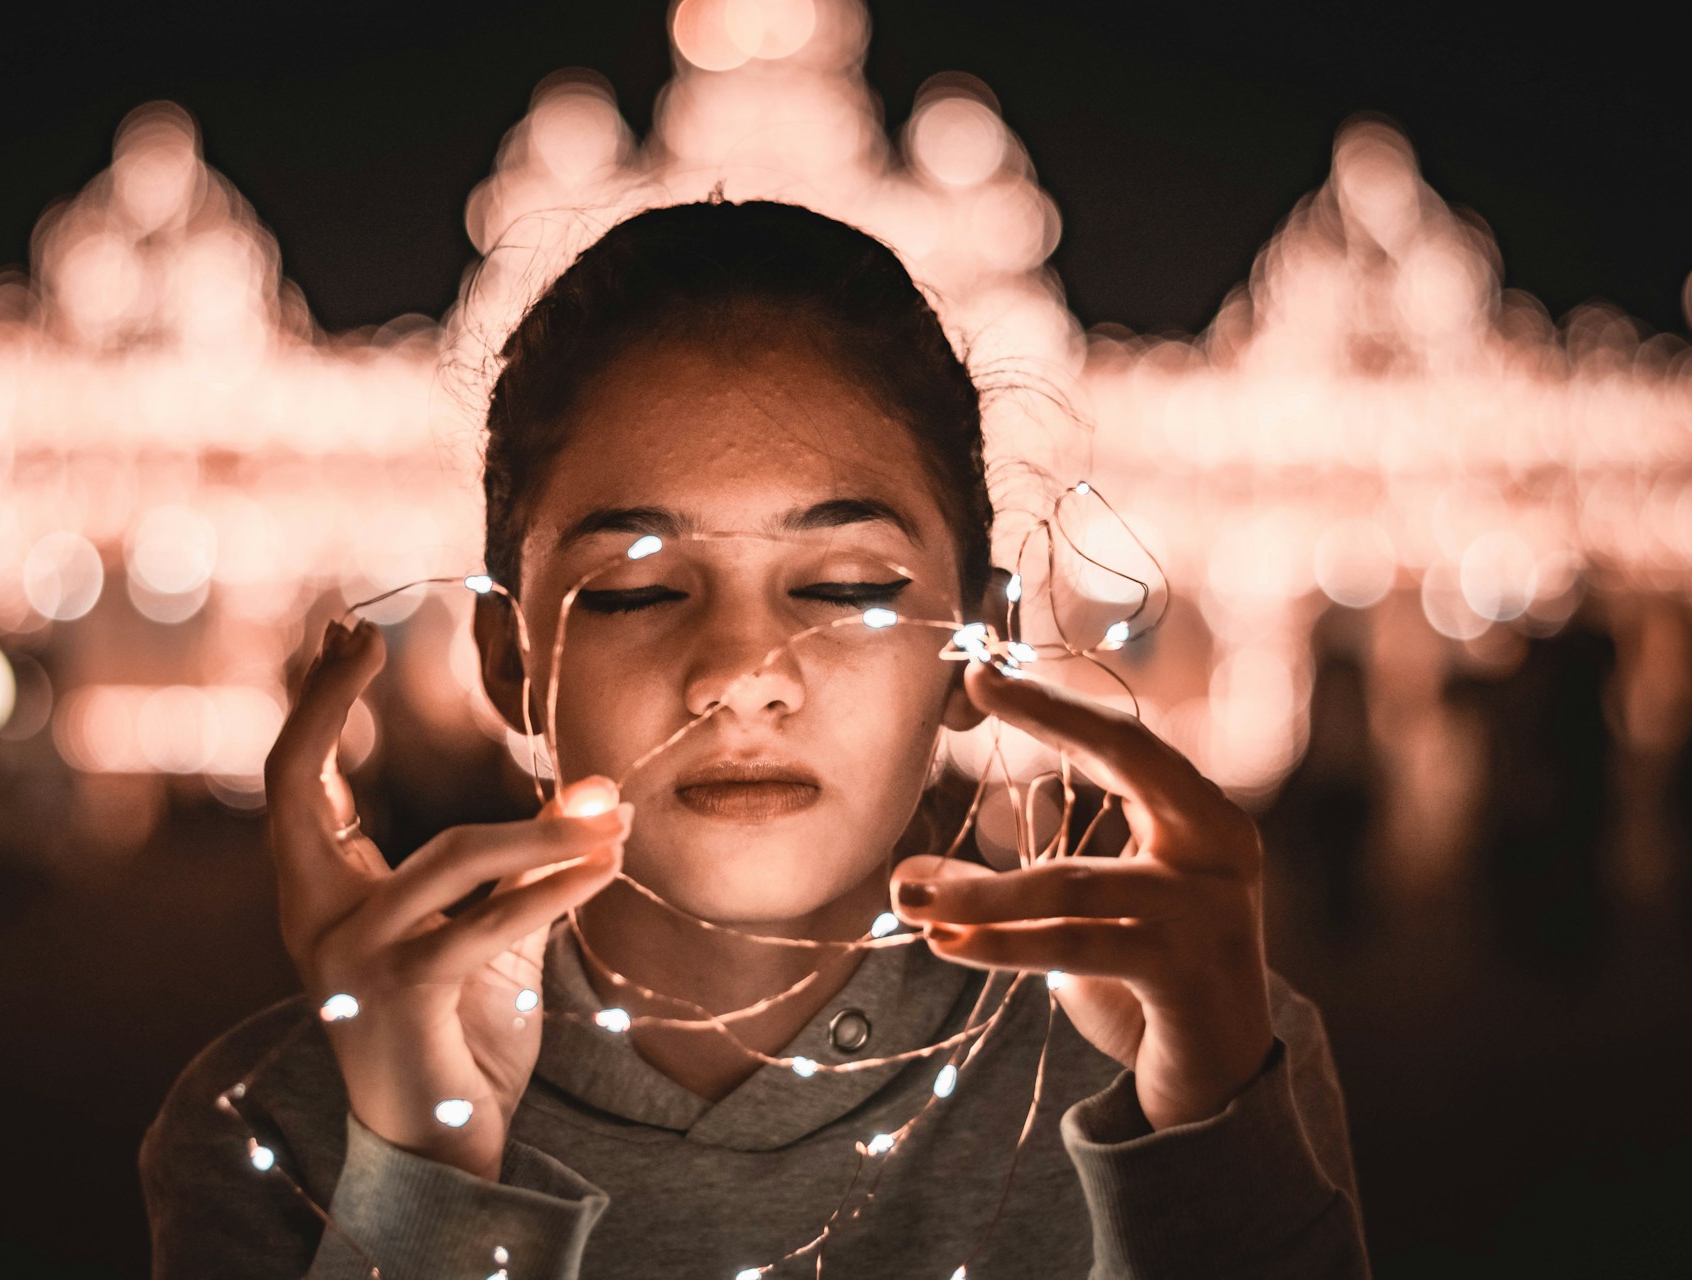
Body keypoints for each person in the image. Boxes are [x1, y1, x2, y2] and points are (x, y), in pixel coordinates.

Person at [141, 200, 1369, 1278]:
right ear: (510, 659)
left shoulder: (1185, 1051)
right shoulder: (295, 1117)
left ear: (979, 641)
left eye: (844, 588)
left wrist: (1212, 1135)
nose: (740, 676)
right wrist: (425, 1174)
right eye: (632, 589)